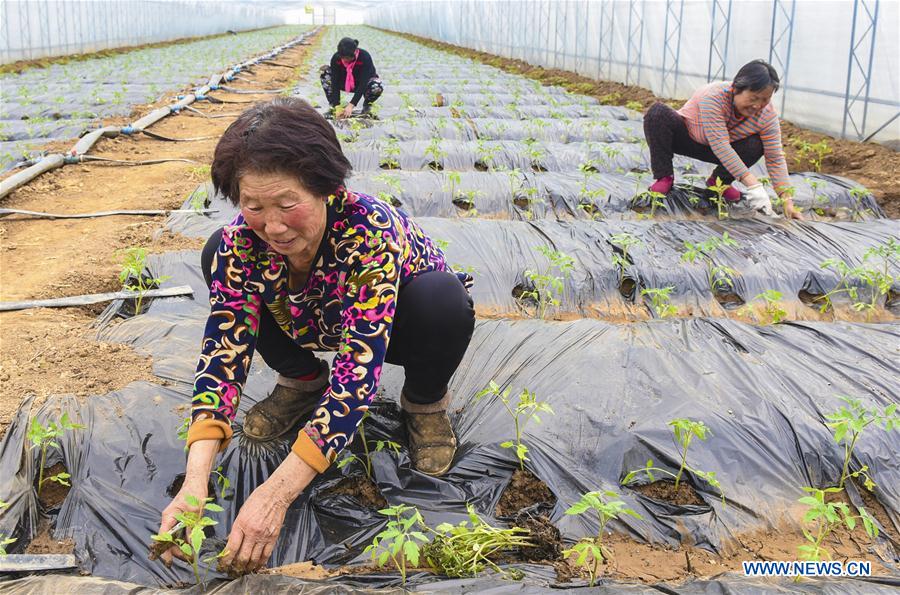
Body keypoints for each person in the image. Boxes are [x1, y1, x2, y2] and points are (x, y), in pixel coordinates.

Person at [155, 97, 474, 574]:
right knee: (216, 254)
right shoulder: (243, 241)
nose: (274, 226)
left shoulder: (369, 232)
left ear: (326, 188)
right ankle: (302, 380)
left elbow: (357, 374)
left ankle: (424, 401)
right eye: (254, 206)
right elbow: (224, 351)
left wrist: (275, 495)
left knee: (442, 301)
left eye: (288, 204)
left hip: (397, 323)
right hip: (308, 316)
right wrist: (195, 480)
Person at [643, 59, 803, 220]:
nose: (758, 106)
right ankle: (664, 177)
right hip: (689, 138)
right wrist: (753, 184)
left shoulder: (767, 115)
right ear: (735, 89)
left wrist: (787, 201)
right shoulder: (713, 97)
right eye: (754, 98)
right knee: (658, 113)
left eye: (765, 100)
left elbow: (775, 157)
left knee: (757, 144)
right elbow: (720, 145)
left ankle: (718, 183)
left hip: (722, 149)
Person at [321, 37, 383, 119]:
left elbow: (363, 83)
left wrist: (351, 105)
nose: (345, 60)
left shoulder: (364, 57)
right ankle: (333, 106)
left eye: (347, 58)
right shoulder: (336, 59)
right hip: (344, 83)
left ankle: (367, 106)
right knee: (325, 73)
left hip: (361, 84)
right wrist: (337, 106)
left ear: (354, 52)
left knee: (377, 86)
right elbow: (335, 82)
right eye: (343, 57)